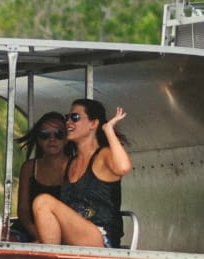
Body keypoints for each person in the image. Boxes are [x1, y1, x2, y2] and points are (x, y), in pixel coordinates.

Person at [29, 98, 131, 247]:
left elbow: (123, 168)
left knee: (43, 201)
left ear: (93, 124)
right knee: (31, 247)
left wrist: (109, 131)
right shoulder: (71, 162)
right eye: (67, 117)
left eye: (75, 117)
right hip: (74, 236)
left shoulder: (103, 155)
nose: (68, 122)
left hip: (101, 236)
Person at [8, 110, 71, 234]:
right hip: (31, 228)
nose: (52, 139)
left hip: (65, 230)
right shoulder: (29, 167)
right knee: (10, 240)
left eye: (58, 134)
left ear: (67, 139)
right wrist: (37, 233)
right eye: (45, 134)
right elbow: (23, 210)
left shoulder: (76, 166)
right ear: (38, 139)